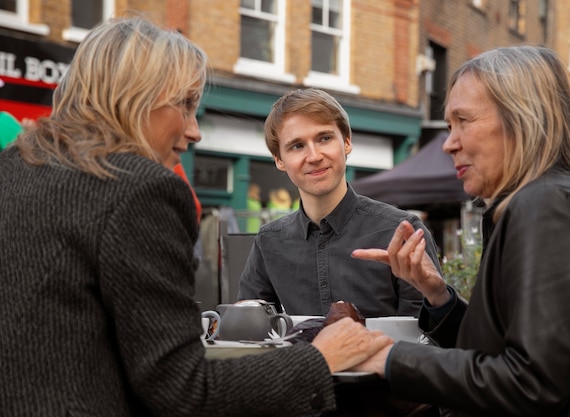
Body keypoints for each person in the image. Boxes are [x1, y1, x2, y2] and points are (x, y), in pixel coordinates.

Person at [0, 16, 392, 417]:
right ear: (137, 97)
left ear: (346, 143)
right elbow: (182, 388)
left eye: (323, 138)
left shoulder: (10, 166)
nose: (194, 131)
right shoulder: (141, 189)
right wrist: (320, 359)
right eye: (185, 105)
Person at [351, 45, 570, 416]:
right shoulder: (544, 200)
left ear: (523, 118)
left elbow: (530, 384)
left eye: (464, 121)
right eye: (450, 126)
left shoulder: (548, 205)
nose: (449, 143)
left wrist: (385, 357)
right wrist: (438, 296)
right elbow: (504, 349)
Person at [238, 88, 442, 318]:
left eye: (324, 138)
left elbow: (426, 336)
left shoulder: (401, 231)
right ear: (279, 160)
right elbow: (250, 331)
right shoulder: (269, 242)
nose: (314, 156)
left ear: (346, 143)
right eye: (297, 146)